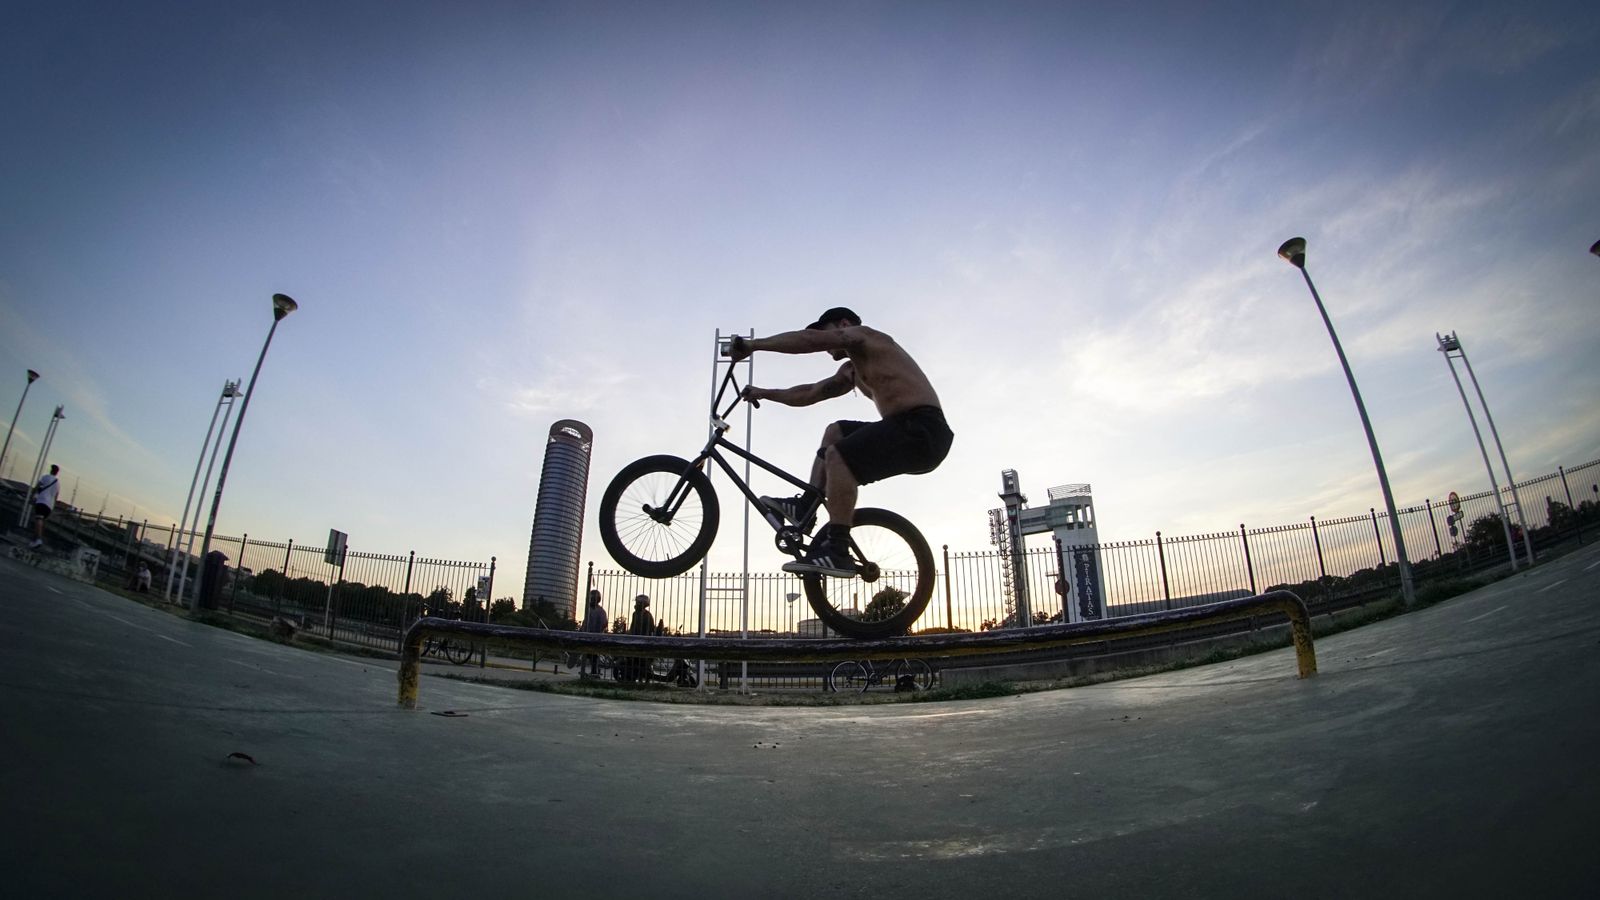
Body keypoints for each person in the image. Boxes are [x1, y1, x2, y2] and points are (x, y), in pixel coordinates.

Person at [729, 308, 953, 577]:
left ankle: (837, 551)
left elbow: (808, 341)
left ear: (843, 324)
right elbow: (810, 393)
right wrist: (765, 393)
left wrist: (754, 345)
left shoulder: (865, 337)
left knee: (838, 456)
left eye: (824, 332)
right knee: (835, 432)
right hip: (904, 430)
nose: (825, 346)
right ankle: (805, 509)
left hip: (923, 430)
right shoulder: (851, 370)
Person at [29, 464, 61, 549]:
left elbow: (37, 487)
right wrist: (53, 507)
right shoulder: (58, 483)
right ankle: (34, 541)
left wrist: (32, 496)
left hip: (42, 501)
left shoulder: (46, 477)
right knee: (40, 522)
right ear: (57, 473)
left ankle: (38, 539)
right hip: (49, 505)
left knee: (38, 520)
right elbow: (56, 496)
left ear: (51, 470)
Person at [625, 594, 655, 682]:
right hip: (634, 640)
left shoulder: (647, 615)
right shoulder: (635, 614)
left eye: (638, 603)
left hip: (643, 641)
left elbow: (650, 629)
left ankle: (644, 678)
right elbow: (632, 626)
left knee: (643, 661)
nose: (636, 604)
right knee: (634, 660)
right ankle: (634, 676)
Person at [579, 589, 607, 678]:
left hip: (596, 636)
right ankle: (590, 670)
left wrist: (598, 633)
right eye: (590, 598)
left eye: (592, 599)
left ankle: (594, 671)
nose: (590, 600)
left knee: (593, 655)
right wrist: (582, 630)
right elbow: (585, 622)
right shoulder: (589, 610)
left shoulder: (601, 611)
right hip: (587, 636)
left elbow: (604, 623)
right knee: (588, 653)